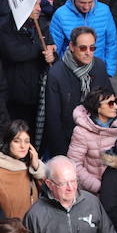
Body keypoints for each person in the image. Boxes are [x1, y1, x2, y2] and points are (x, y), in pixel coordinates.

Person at [43, 26, 111, 158]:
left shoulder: (99, 66)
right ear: (72, 46)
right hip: (69, 140)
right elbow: (53, 119)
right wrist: (61, 154)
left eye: (92, 48)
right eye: (83, 48)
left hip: (97, 138)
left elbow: (109, 99)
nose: (88, 52)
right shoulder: (56, 74)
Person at [0, 0, 56, 135]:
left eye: (39, 4)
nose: (39, 9)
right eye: (34, 5)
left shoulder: (41, 24)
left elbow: (51, 48)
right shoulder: (8, 26)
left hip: (37, 91)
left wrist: (51, 55)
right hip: (15, 93)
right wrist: (40, 47)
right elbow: (15, 53)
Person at [0, 120, 47, 229]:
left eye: (27, 141)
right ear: (7, 142)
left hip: (33, 232)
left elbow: (48, 191)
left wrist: (36, 166)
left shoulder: (30, 166)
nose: (23, 146)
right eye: (17, 141)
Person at [50, 0, 117, 76]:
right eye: (82, 2)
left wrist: (109, 71)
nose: (86, 7)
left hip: (97, 70)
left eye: (90, 2)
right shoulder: (61, 15)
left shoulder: (104, 11)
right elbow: (55, 46)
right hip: (70, 72)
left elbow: (111, 43)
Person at [67, 87, 117, 194]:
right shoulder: (81, 132)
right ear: (97, 108)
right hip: (97, 192)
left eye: (116, 102)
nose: (116, 107)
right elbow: (74, 164)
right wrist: (99, 187)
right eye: (111, 103)